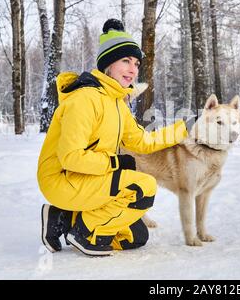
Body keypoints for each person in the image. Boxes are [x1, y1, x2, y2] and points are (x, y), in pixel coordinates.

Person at [37, 19, 188, 257]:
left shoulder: (116, 103)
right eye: (125, 61)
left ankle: (62, 217)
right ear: (108, 64)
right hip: (62, 179)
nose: (133, 69)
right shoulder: (85, 99)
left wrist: (184, 130)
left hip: (88, 179)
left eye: (136, 63)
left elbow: (142, 141)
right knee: (143, 186)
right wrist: (114, 163)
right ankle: (85, 233)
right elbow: (70, 157)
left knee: (135, 237)